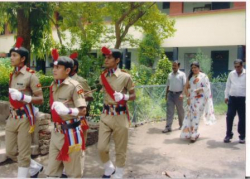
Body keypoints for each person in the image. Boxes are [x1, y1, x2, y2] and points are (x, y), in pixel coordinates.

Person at [45, 49, 87, 178]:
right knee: (51, 173)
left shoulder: (75, 86)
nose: (54, 70)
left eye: (58, 67)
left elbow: (83, 111)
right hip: (56, 133)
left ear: (68, 70)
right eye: (54, 66)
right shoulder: (54, 85)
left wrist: (68, 110)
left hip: (71, 134)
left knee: (73, 173)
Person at [6, 37, 44, 178]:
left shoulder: (31, 76)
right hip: (12, 117)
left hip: (25, 118)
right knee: (10, 151)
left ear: (23, 59)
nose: (11, 58)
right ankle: (34, 166)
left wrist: (23, 98)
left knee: (23, 152)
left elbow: (40, 99)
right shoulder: (13, 75)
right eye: (11, 55)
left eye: (14, 55)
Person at [98, 47, 136, 178]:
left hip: (120, 116)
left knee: (121, 148)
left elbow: (133, 95)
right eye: (105, 57)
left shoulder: (126, 77)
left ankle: (119, 172)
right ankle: (108, 167)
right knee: (101, 147)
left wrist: (124, 97)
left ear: (117, 60)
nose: (106, 60)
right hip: (106, 115)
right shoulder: (102, 76)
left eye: (109, 57)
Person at [180, 61, 216, 142]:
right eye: (192, 68)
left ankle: (194, 133)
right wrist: (187, 98)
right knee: (190, 116)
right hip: (192, 98)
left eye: (195, 67)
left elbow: (207, 87)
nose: (194, 69)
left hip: (200, 98)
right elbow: (186, 88)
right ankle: (190, 132)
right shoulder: (190, 77)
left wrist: (201, 89)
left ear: (199, 68)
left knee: (196, 114)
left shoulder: (204, 76)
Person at [224, 59, 246, 144]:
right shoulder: (231, 74)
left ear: (242, 66)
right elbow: (228, 85)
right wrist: (226, 96)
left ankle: (242, 136)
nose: (237, 68)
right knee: (229, 116)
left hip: (243, 99)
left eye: (238, 66)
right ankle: (228, 135)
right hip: (232, 98)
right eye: (235, 66)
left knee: (242, 118)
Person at [162, 61, 186, 133]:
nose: (173, 67)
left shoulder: (182, 75)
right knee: (169, 111)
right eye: (173, 66)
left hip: (179, 95)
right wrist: (166, 95)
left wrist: (182, 94)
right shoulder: (170, 75)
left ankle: (182, 125)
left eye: (175, 66)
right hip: (170, 94)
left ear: (178, 66)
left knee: (180, 110)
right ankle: (168, 127)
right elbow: (168, 86)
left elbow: (185, 86)